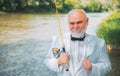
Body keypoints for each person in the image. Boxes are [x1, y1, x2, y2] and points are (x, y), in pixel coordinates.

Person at [44, 9, 111, 76]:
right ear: (68, 23)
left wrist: (92, 67)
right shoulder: (58, 40)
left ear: (87, 21)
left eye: (79, 22)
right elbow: (48, 60)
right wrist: (58, 62)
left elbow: (107, 66)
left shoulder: (99, 43)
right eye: (72, 23)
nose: (75, 27)